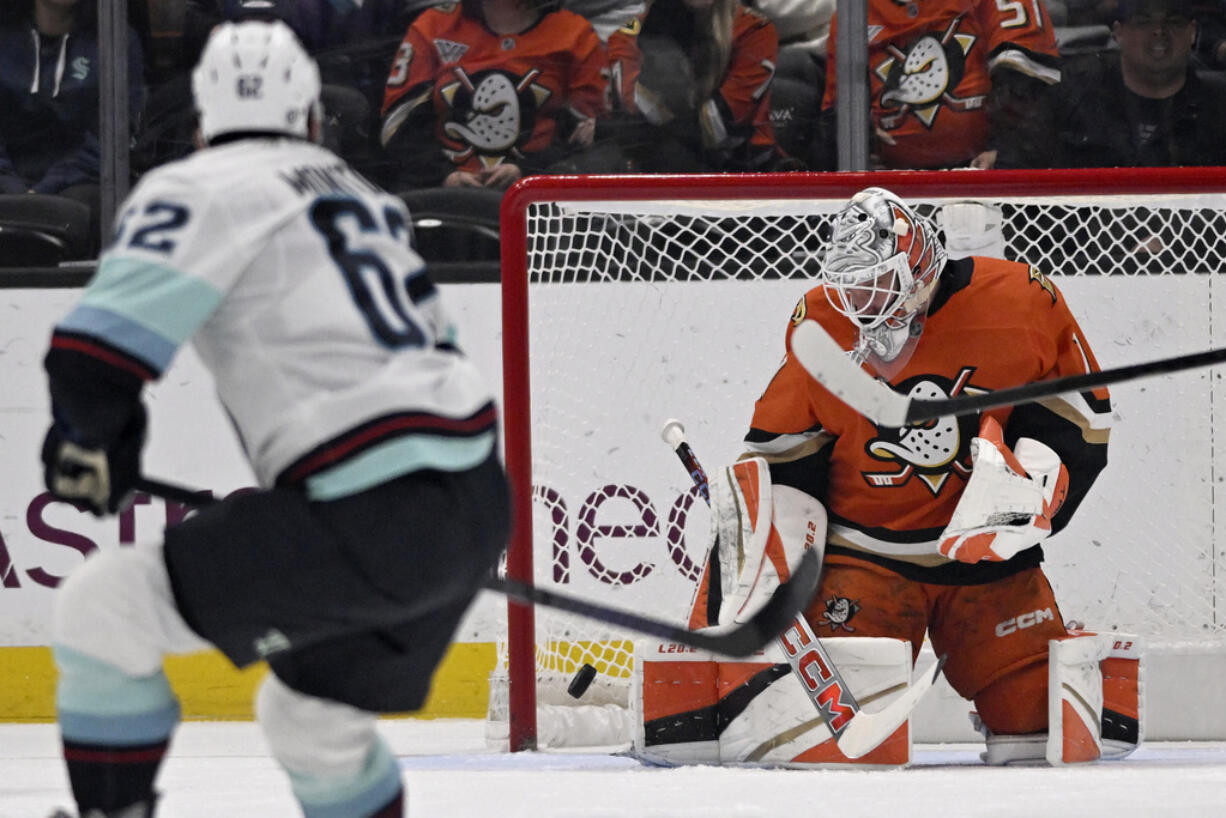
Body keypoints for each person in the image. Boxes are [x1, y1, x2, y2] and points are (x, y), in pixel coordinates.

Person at [41, 19, 508, 818]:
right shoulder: (362, 193)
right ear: (315, 121)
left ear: (199, 124)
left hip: (369, 509)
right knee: (310, 720)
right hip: (472, 501)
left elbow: (94, 354)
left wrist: (92, 441)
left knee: (102, 607)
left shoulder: (201, 183)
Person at [633, 187, 1142, 767]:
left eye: (878, 284)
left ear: (922, 265)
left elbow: (1082, 420)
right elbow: (783, 452)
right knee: (833, 753)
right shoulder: (820, 324)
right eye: (852, 287)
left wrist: (1032, 493)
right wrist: (764, 546)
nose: (862, 304)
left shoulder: (1021, 300)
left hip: (986, 565)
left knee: (1036, 729)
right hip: (864, 562)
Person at [379, 0, 607, 191]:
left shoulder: (574, 33)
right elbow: (397, 123)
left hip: (536, 200)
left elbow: (588, 135)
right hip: (437, 194)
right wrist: (444, 176)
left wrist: (527, 172)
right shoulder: (433, 25)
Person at [815, 0, 1060, 170]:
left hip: (989, 178)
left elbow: (1032, 87)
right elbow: (836, 123)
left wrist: (1006, 157)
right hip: (894, 187)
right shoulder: (852, 14)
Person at [995, 0, 1226, 167]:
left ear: (1193, 33)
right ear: (1119, 33)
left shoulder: (1219, 109)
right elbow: (1015, 169)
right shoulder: (1069, 96)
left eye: (1173, 22)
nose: (1159, 32)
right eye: (1143, 22)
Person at [0, 0, 145, 248]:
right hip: (8, 177)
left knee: (96, 209)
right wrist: (15, 190)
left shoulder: (114, 38)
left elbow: (114, 135)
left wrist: (44, 190)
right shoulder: (5, 39)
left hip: (79, 181)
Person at [604, 0, 796, 171]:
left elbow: (715, 129)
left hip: (742, 171)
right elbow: (640, 113)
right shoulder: (626, 37)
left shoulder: (754, 30)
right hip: (656, 169)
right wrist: (661, 33)